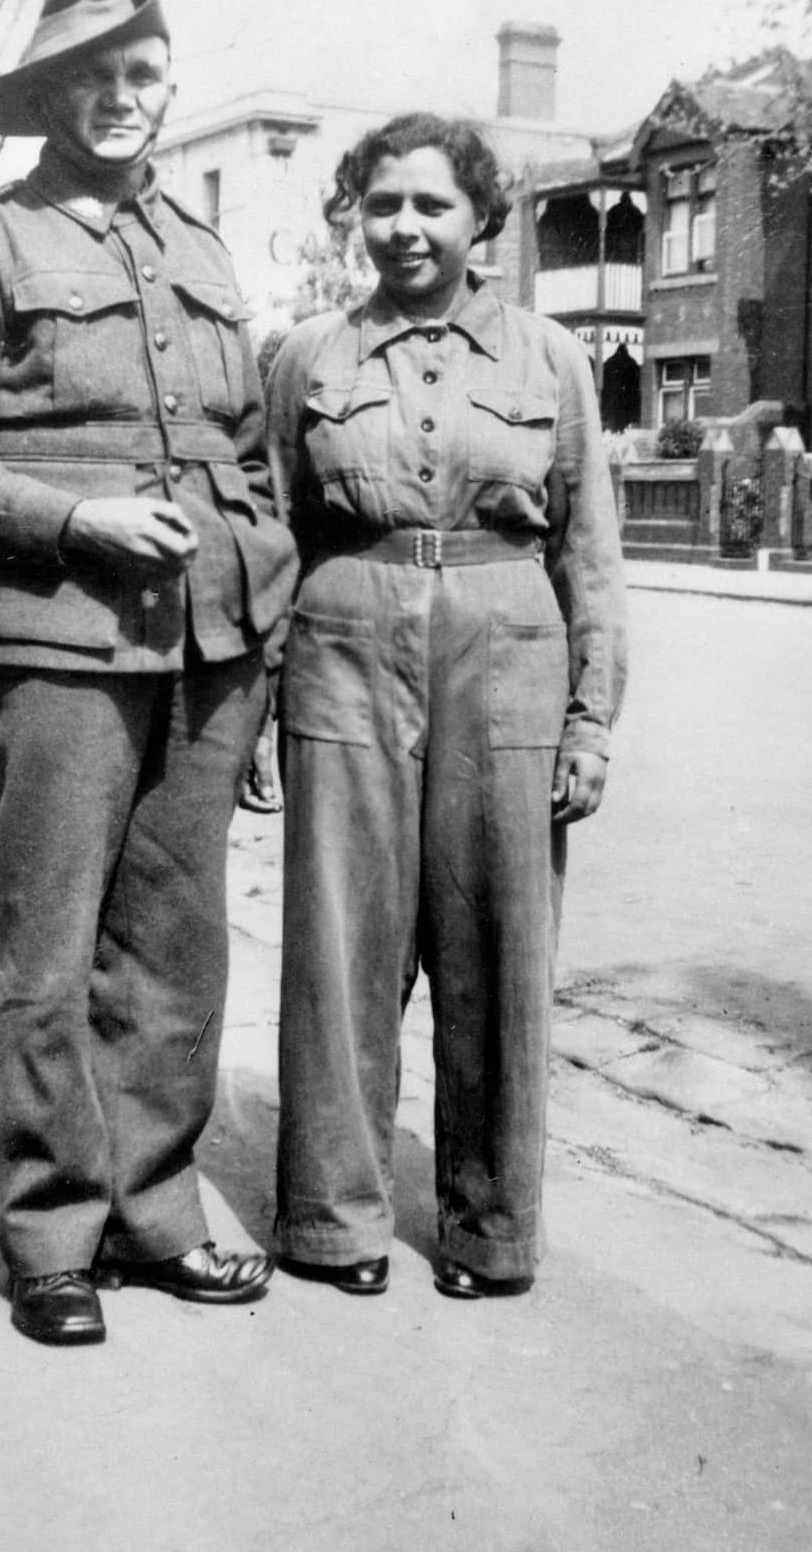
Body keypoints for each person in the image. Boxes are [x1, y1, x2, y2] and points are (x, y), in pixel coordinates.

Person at [0, 0, 298, 1345]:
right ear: (50, 94)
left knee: (174, 949)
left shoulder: (203, 249)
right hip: (53, 637)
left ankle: (156, 1206)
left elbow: (243, 454)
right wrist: (71, 517)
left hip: (209, 647)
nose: (120, 98)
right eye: (92, 76)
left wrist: (265, 654)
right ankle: (52, 1230)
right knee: (48, 944)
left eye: (143, 71)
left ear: (168, 81)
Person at [266, 113, 626, 1299]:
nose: (404, 226)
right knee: (341, 942)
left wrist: (588, 716)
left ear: (482, 220)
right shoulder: (308, 355)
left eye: (431, 205)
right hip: (344, 644)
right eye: (381, 204)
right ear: (352, 217)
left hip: (504, 646)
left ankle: (487, 1228)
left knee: (496, 946)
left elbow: (589, 553)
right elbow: (273, 534)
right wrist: (259, 698)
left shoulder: (550, 358)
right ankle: (334, 1221)